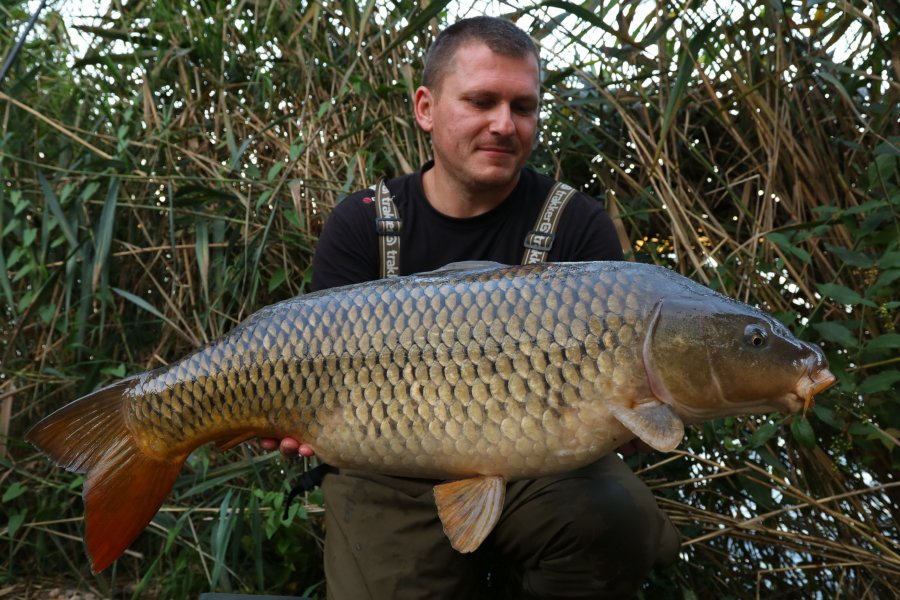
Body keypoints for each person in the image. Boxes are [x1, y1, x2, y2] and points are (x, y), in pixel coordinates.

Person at [262, 16, 680, 599]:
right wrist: (288, 417)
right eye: (482, 101)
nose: (504, 125)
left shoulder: (576, 225)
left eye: (524, 106)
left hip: (541, 471)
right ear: (426, 108)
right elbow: (312, 371)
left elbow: (623, 405)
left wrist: (633, 415)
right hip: (388, 475)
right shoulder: (361, 221)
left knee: (615, 518)